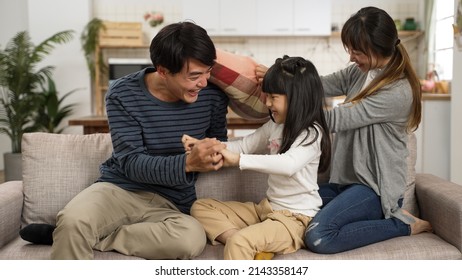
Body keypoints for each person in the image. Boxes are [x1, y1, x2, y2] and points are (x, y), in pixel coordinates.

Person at [19, 21, 229, 259]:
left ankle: (93, 236)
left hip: (172, 202)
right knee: (72, 221)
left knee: (189, 240)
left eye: (208, 72)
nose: (203, 82)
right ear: (162, 71)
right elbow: (131, 162)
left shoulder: (212, 96)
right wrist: (188, 164)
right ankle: (74, 232)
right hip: (119, 188)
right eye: (194, 76)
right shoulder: (123, 94)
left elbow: (219, 145)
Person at [257, 7, 432, 254]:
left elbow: (337, 119)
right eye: (350, 50)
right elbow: (320, 85)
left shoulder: (398, 91)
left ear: (378, 48)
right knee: (288, 204)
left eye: (357, 52)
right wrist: (282, 78)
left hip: (374, 189)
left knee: (319, 236)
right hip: (346, 183)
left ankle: (401, 225)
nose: (351, 57)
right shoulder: (361, 72)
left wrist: (287, 109)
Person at [183, 55, 331, 260]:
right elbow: (244, 144)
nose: (267, 103)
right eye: (267, 96)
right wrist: (206, 145)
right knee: (201, 207)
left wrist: (238, 160)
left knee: (239, 243)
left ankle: (245, 242)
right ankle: (252, 245)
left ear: (296, 96)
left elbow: (288, 164)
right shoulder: (275, 126)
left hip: (294, 220)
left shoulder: (311, 133)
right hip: (266, 209)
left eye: (273, 97)